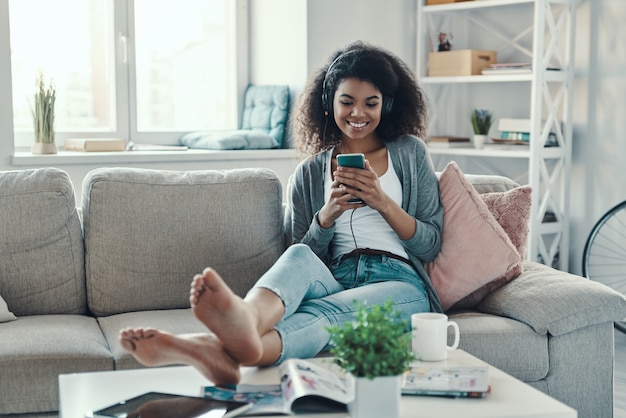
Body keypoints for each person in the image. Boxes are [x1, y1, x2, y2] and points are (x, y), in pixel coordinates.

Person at [118, 40, 444, 385]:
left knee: (322, 316)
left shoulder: (409, 153)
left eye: (371, 103)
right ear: (328, 103)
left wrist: (383, 202)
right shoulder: (308, 173)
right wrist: (326, 217)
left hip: (399, 283)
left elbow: (430, 245)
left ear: (387, 105)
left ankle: (219, 347)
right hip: (335, 278)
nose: (358, 114)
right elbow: (305, 254)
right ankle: (245, 318)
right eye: (346, 102)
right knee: (300, 254)